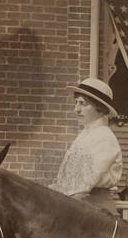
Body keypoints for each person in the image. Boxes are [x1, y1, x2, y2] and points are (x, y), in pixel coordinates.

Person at [47, 77, 122, 211]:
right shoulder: (84, 136)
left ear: (100, 108)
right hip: (78, 206)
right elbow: (66, 179)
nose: (77, 109)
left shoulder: (104, 137)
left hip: (96, 211)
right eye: (76, 103)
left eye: (83, 103)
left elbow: (84, 184)